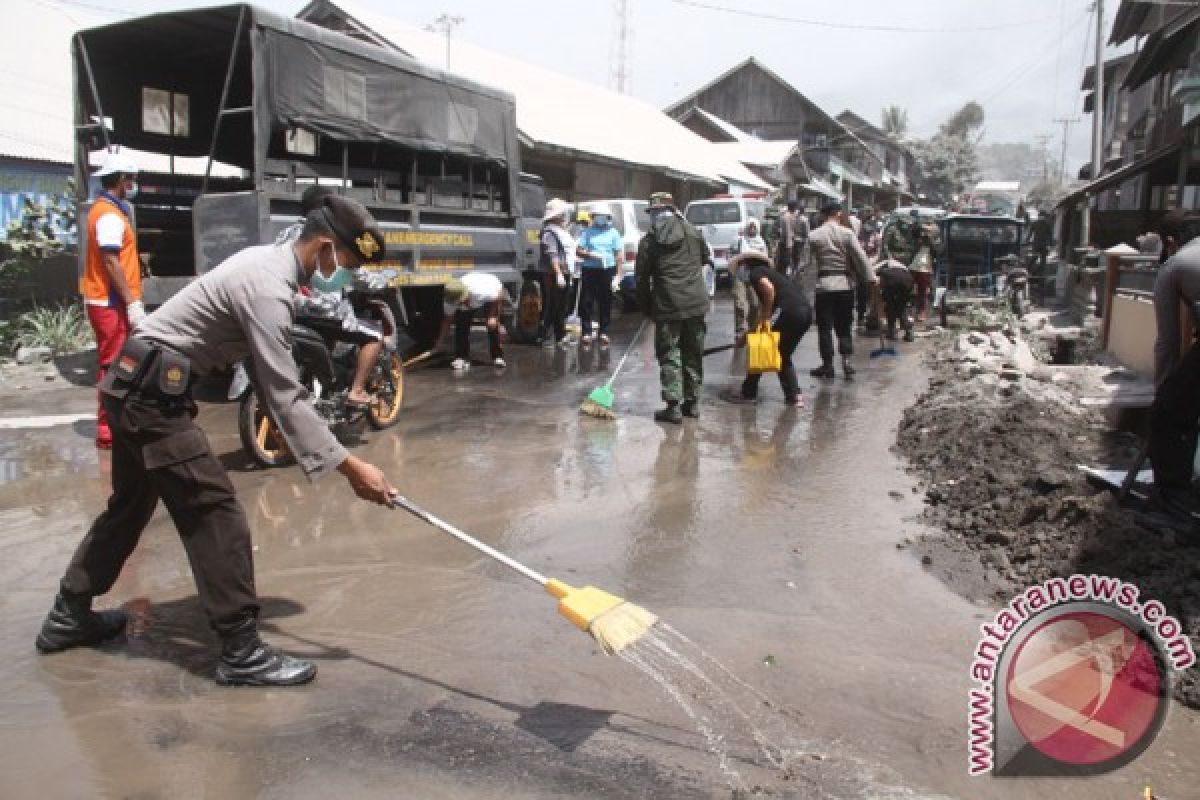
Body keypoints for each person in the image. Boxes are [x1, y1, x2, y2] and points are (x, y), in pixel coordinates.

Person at [35, 195, 397, 686]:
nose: (345, 275)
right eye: (347, 263)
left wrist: (315, 448)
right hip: (150, 399)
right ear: (327, 246)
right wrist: (352, 467)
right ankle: (241, 651)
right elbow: (285, 394)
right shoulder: (269, 288)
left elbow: (270, 386)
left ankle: (68, 616)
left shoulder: (265, 265)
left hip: (132, 386)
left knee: (129, 508)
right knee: (215, 511)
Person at [285, 185, 391, 408]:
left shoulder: (286, 234)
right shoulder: (331, 238)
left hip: (292, 308)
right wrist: (386, 282)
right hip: (324, 311)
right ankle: (357, 390)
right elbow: (358, 275)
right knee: (374, 336)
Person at [81, 151, 145, 449]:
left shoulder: (107, 210)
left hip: (107, 300)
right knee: (113, 365)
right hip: (110, 302)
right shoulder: (108, 214)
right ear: (120, 179)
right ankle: (108, 430)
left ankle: (116, 423)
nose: (133, 184)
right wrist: (131, 301)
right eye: (130, 179)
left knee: (118, 363)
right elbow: (110, 261)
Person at [636, 192, 710, 424]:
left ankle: (673, 406)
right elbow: (705, 259)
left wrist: (646, 307)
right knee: (693, 352)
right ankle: (693, 404)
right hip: (696, 304)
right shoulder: (693, 232)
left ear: (655, 212)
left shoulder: (649, 240)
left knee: (670, 354)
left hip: (667, 305)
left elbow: (641, 278)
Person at [1149, 213, 1200, 514]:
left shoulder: (1175, 265)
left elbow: (1167, 343)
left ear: (1170, 241)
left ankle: (1173, 502)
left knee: (1169, 414)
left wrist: (1163, 394)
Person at [723, 252, 812, 407]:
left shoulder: (756, 272)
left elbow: (769, 290)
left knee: (760, 348)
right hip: (805, 313)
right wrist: (747, 336)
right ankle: (794, 396)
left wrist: (766, 318)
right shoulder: (772, 274)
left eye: (739, 267)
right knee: (782, 353)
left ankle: (749, 393)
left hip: (789, 312)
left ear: (745, 263)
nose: (739, 271)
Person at [808, 201, 874, 379]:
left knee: (824, 328)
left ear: (823, 215)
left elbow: (805, 264)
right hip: (844, 285)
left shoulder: (814, 235)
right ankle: (846, 361)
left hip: (824, 286)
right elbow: (861, 258)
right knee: (844, 326)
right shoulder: (847, 234)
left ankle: (828, 365)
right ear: (838, 214)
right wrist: (871, 278)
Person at [575, 203, 625, 346]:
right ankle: (586, 332)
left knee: (605, 301)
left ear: (607, 217)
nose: (600, 218)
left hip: (607, 270)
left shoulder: (613, 233)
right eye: (597, 216)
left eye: (602, 216)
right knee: (587, 301)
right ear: (593, 217)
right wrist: (591, 255)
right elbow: (578, 250)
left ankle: (604, 331)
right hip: (590, 269)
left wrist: (618, 275)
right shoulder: (587, 232)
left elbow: (619, 255)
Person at [437, 273, 506, 369]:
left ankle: (497, 356)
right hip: (475, 297)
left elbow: (499, 295)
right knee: (461, 325)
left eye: (462, 300)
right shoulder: (449, 301)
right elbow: (447, 320)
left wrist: (492, 317)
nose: (461, 303)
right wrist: (440, 342)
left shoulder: (482, 292)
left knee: (492, 325)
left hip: (493, 293)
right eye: (458, 302)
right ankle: (461, 357)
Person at [538, 198, 573, 347]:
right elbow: (553, 254)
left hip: (563, 272)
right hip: (553, 274)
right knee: (552, 305)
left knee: (561, 305)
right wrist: (558, 273)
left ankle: (560, 335)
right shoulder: (549, 232)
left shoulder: (561, 231)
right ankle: (545, 336)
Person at [876, 257, 915, 342]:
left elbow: (876, 281)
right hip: (908, 280)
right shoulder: (899, 264)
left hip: (892, 279)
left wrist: (880, 297)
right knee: (902, 307)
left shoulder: (879, 265)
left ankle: (891, 331)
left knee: (890, 306)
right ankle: (908, 332)